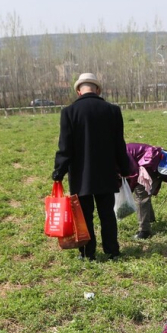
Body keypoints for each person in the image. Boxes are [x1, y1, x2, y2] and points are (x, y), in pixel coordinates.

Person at [52, 72, 134, 261]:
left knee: (84, 216)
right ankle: (112, 251)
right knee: (107, 215)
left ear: (79, 91)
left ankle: (88, 253)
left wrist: (59, 172)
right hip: (106, 173)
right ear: (97, 90)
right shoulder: (113, 111)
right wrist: (125, 168)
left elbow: (65, 147)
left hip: (81, 177)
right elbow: (119, 144)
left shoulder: (69, 112)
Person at [125, 142, 167, 240]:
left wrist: (129, 190)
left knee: (141, 196)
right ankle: (150, 219)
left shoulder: (119, 155)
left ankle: (144, 231)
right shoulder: (116, 152)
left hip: (151, 163)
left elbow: (134, 174)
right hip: (151, 161)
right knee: (144, 194)